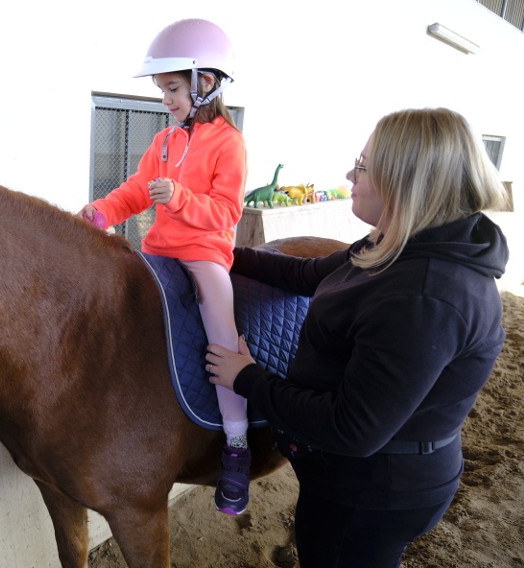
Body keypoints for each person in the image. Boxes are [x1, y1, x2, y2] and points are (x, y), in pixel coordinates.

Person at [206, 107, 509, 567]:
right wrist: (220, 254)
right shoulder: (395, 243)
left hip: (377, 490)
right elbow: (308, 273)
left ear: (405, 182)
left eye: (364, 166)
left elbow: (353, 429)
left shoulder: (425, 297)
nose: (351, 174)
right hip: (343, 475)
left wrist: (247, 378)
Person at [77, 18, 251, 515]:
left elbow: (226, 212)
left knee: (221, 325)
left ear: (205, 83)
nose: (165, 100)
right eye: (162, 91)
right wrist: (103, 212)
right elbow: (135, 191)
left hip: (204, 255)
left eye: (172, 89)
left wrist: (179, 197)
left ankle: (236, 445)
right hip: (157, 249)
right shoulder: (166, 142)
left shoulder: (229, 145)